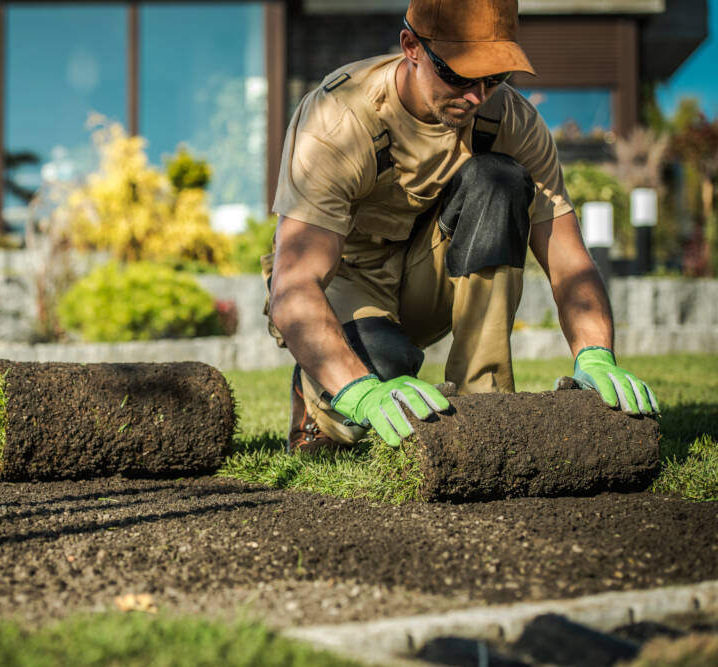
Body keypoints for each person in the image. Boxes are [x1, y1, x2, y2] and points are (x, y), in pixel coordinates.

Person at [263, 0, 659, 453]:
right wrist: (358, 389)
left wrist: (595, 354)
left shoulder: (511, 121)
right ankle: (317, 406)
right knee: (385, 366)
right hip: (345, 286)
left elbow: (568, 260)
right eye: (458, 74)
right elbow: (294, 287)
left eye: (495, 77)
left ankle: (484, 404)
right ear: (411, 46)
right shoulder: (338, 118)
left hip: (422, 280)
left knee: (499, 179)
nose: (477, 95)